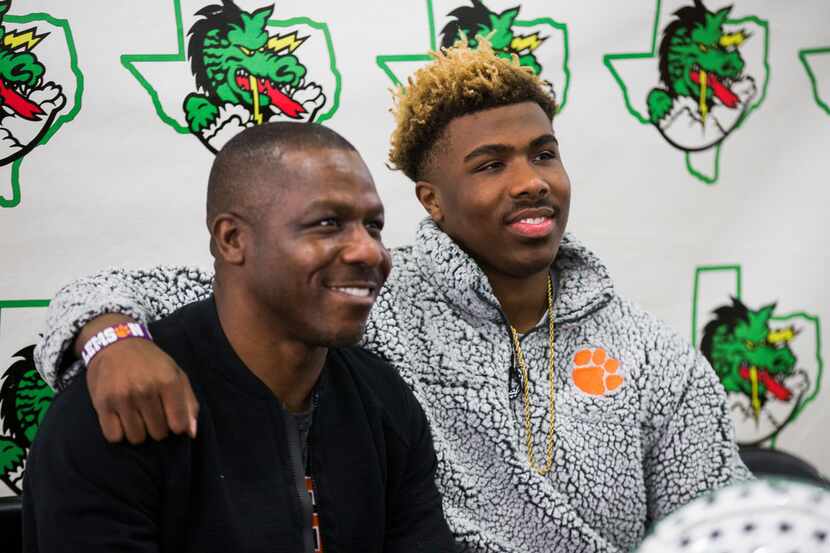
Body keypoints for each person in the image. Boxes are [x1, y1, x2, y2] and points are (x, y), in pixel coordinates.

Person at [33, 41, 751, 552]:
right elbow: (172, 294)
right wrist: (111, 336)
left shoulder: (657, 356)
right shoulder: (364, 296)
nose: (530, 180)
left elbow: (721, 525)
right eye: (491, 164)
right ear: (432, 200)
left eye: (543, 154)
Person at [23, 123, 455, 553]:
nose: (369, 251)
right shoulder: (119, 413)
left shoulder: (384, 398)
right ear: (232, 239)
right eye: (327, 223)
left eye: (373, 226)